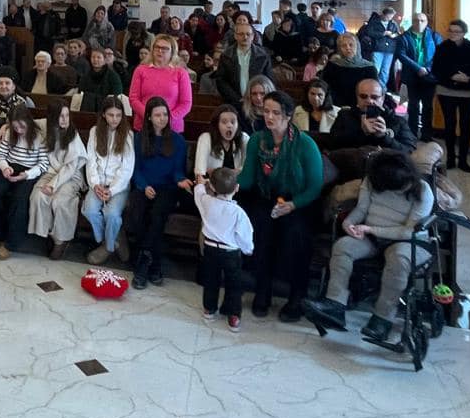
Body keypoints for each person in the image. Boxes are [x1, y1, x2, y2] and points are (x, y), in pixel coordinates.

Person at [305, 149, 435, 342]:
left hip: (407, 242)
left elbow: (409, 231)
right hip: (372, 238)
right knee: (343, 247)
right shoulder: (373, 180)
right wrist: (348, 223)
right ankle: (335, 304)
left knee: (398, 260)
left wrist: (371, 229)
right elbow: (361, 209)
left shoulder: (423, 191)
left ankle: (383, 319)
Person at [237, 90, 325, 321]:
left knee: (296, 233)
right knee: (260, 229)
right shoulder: (257, 140)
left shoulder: (305, 144)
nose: (269, 117)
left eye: (276, 113)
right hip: (267, 196)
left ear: (288, 116)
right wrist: (223, 182)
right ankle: (262, 290)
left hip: (299, 200)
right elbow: (247, 179)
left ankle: (297, 296)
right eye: (266, 111)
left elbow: (315, 186)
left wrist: (294, 205)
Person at [125, 96, 189, 289]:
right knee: (138, 211)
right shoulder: (139, 138)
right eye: (158, 115)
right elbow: (135, 169)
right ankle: (155, 264)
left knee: (157, 214)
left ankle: (144, 260)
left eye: (165, 115)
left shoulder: (178, 140)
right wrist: (144, 186)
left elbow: (178, 171)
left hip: (167, 188)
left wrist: (180, 180)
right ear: (149, 117)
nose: (162, 118)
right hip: (144, 186)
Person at [180, 167, 254, 328]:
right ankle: (233, 316)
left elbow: (199, 193)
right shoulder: (238, 213)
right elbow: (245, 236)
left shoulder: (207, 202)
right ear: (237, 188)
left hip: (210, 249)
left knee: (211, 280)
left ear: (212, 187)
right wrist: (248, 249)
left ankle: (209, 309)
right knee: (234, 284)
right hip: (231, 252)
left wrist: (201, 183)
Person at [28, 100, 88, 258]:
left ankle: (61, 240)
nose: (65, 119)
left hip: (71, 176)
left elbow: (70, 168)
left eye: (67, 115)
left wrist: (52, 185)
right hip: (50, 172)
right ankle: (50, 234)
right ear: (52, 117)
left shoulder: (72, 135)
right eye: (61, 116)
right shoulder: (45, 125)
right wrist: (6, 126)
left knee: (60, 201)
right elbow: (24, 122)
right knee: (38, 196)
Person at [82, 97, 135, 265]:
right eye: (111, 115)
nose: (115, 119)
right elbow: (91, 161)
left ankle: (107, 246)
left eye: (118, 115)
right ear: (104, 115)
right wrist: (95, 184)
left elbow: (126, 169)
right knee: (89, 210)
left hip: (118, 186)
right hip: (98, 184)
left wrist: (112, 190)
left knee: (111, 214)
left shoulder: (127, 134)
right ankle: (112, 240)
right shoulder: (95, 131)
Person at [0, 108, 46, 259]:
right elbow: (0, 155)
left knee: (20, 200)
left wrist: (27, 174)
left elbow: (43, 164)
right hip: (9, 167)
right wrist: (5, 168)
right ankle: (0, 234)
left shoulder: (39, 137)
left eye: (22, 127)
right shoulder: (10, 133)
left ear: (28, 122)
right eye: (15, 127)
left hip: (29, 171)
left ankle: (11, 243)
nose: (19, 131)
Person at [431, 18, 470, 172]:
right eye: (451, 31)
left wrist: (468, 78)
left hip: (468, 92)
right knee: (450, 124)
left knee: (465, 125)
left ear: (464, 33)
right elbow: (436, 69)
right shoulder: (442, 48)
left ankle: (463, 160)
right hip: (446, 90)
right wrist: (452, 76)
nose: (453, 34)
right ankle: (450, 158)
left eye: (457, 31)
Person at [328, 78, 418, 155]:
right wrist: (361, 133)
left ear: (382, 98)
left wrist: (383, 137)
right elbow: (332, 144)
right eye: (363, 96)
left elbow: (408, 150)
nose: (369, 101)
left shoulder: (397, 121)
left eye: (374, 97)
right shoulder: (345, 116)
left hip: (386, 167)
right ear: (357, 97)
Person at [129, 33, 193, 135]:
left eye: (165, 48)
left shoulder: (181, 73)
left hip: (172, 127)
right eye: (157, 47)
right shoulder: (140, 70)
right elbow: (134, 98)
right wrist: (149, 116)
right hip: (144, 125)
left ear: (172, 51)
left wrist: (167, 119)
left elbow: (186, 103)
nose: (160, 51)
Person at [205, 14, 273, 108]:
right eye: (241, 34)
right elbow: (221, 80)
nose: (245, 37)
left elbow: (268, 79)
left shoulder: (263, 56)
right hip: (233, 102)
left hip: (258, 102)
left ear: (253, 36)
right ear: (235, 36)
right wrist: (236, 99)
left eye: (248, 34)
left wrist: (258, 97)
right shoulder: (226, 55)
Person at [395, 12, 441, 141]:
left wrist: (427, 69)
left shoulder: (434, 36)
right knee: (413, 106)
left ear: (427, 22)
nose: (419, 23)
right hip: (412, 76)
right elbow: (401, 55)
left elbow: (440, 55)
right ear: (412, 22)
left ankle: (427, 134)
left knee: (428, 107)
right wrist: (418, 68)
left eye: (422, 20)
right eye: (416, 20)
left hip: (429, 77)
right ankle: (412, 134)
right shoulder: (404, 37)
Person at [321, 33, 379, 109]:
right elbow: (325, 87)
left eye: (351, 45)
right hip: (336, 106)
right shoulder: (333, 65)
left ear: (357, 46)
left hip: (361, 107)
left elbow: (373, 92)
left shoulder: (369, 68)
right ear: (339, 48)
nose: (348, 48)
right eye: (344, 46)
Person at [194, 104, 249, 181]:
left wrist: (221, 173)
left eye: (233, 122)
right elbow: (200, 173)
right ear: (216, 125)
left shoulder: (244, 138)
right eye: (224, 122)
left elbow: (248, 168)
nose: (229, 125)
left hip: (236, 183)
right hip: (211, 183)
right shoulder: (206, 138)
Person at [77, 46, 125, 112]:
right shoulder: (85, 76)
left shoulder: (113, 76)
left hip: (108, 109)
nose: (95, 60)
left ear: (104, 60)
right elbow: (80, 93)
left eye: (98, 57)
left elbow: (117, 94)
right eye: (93, 57)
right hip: (88, 109)